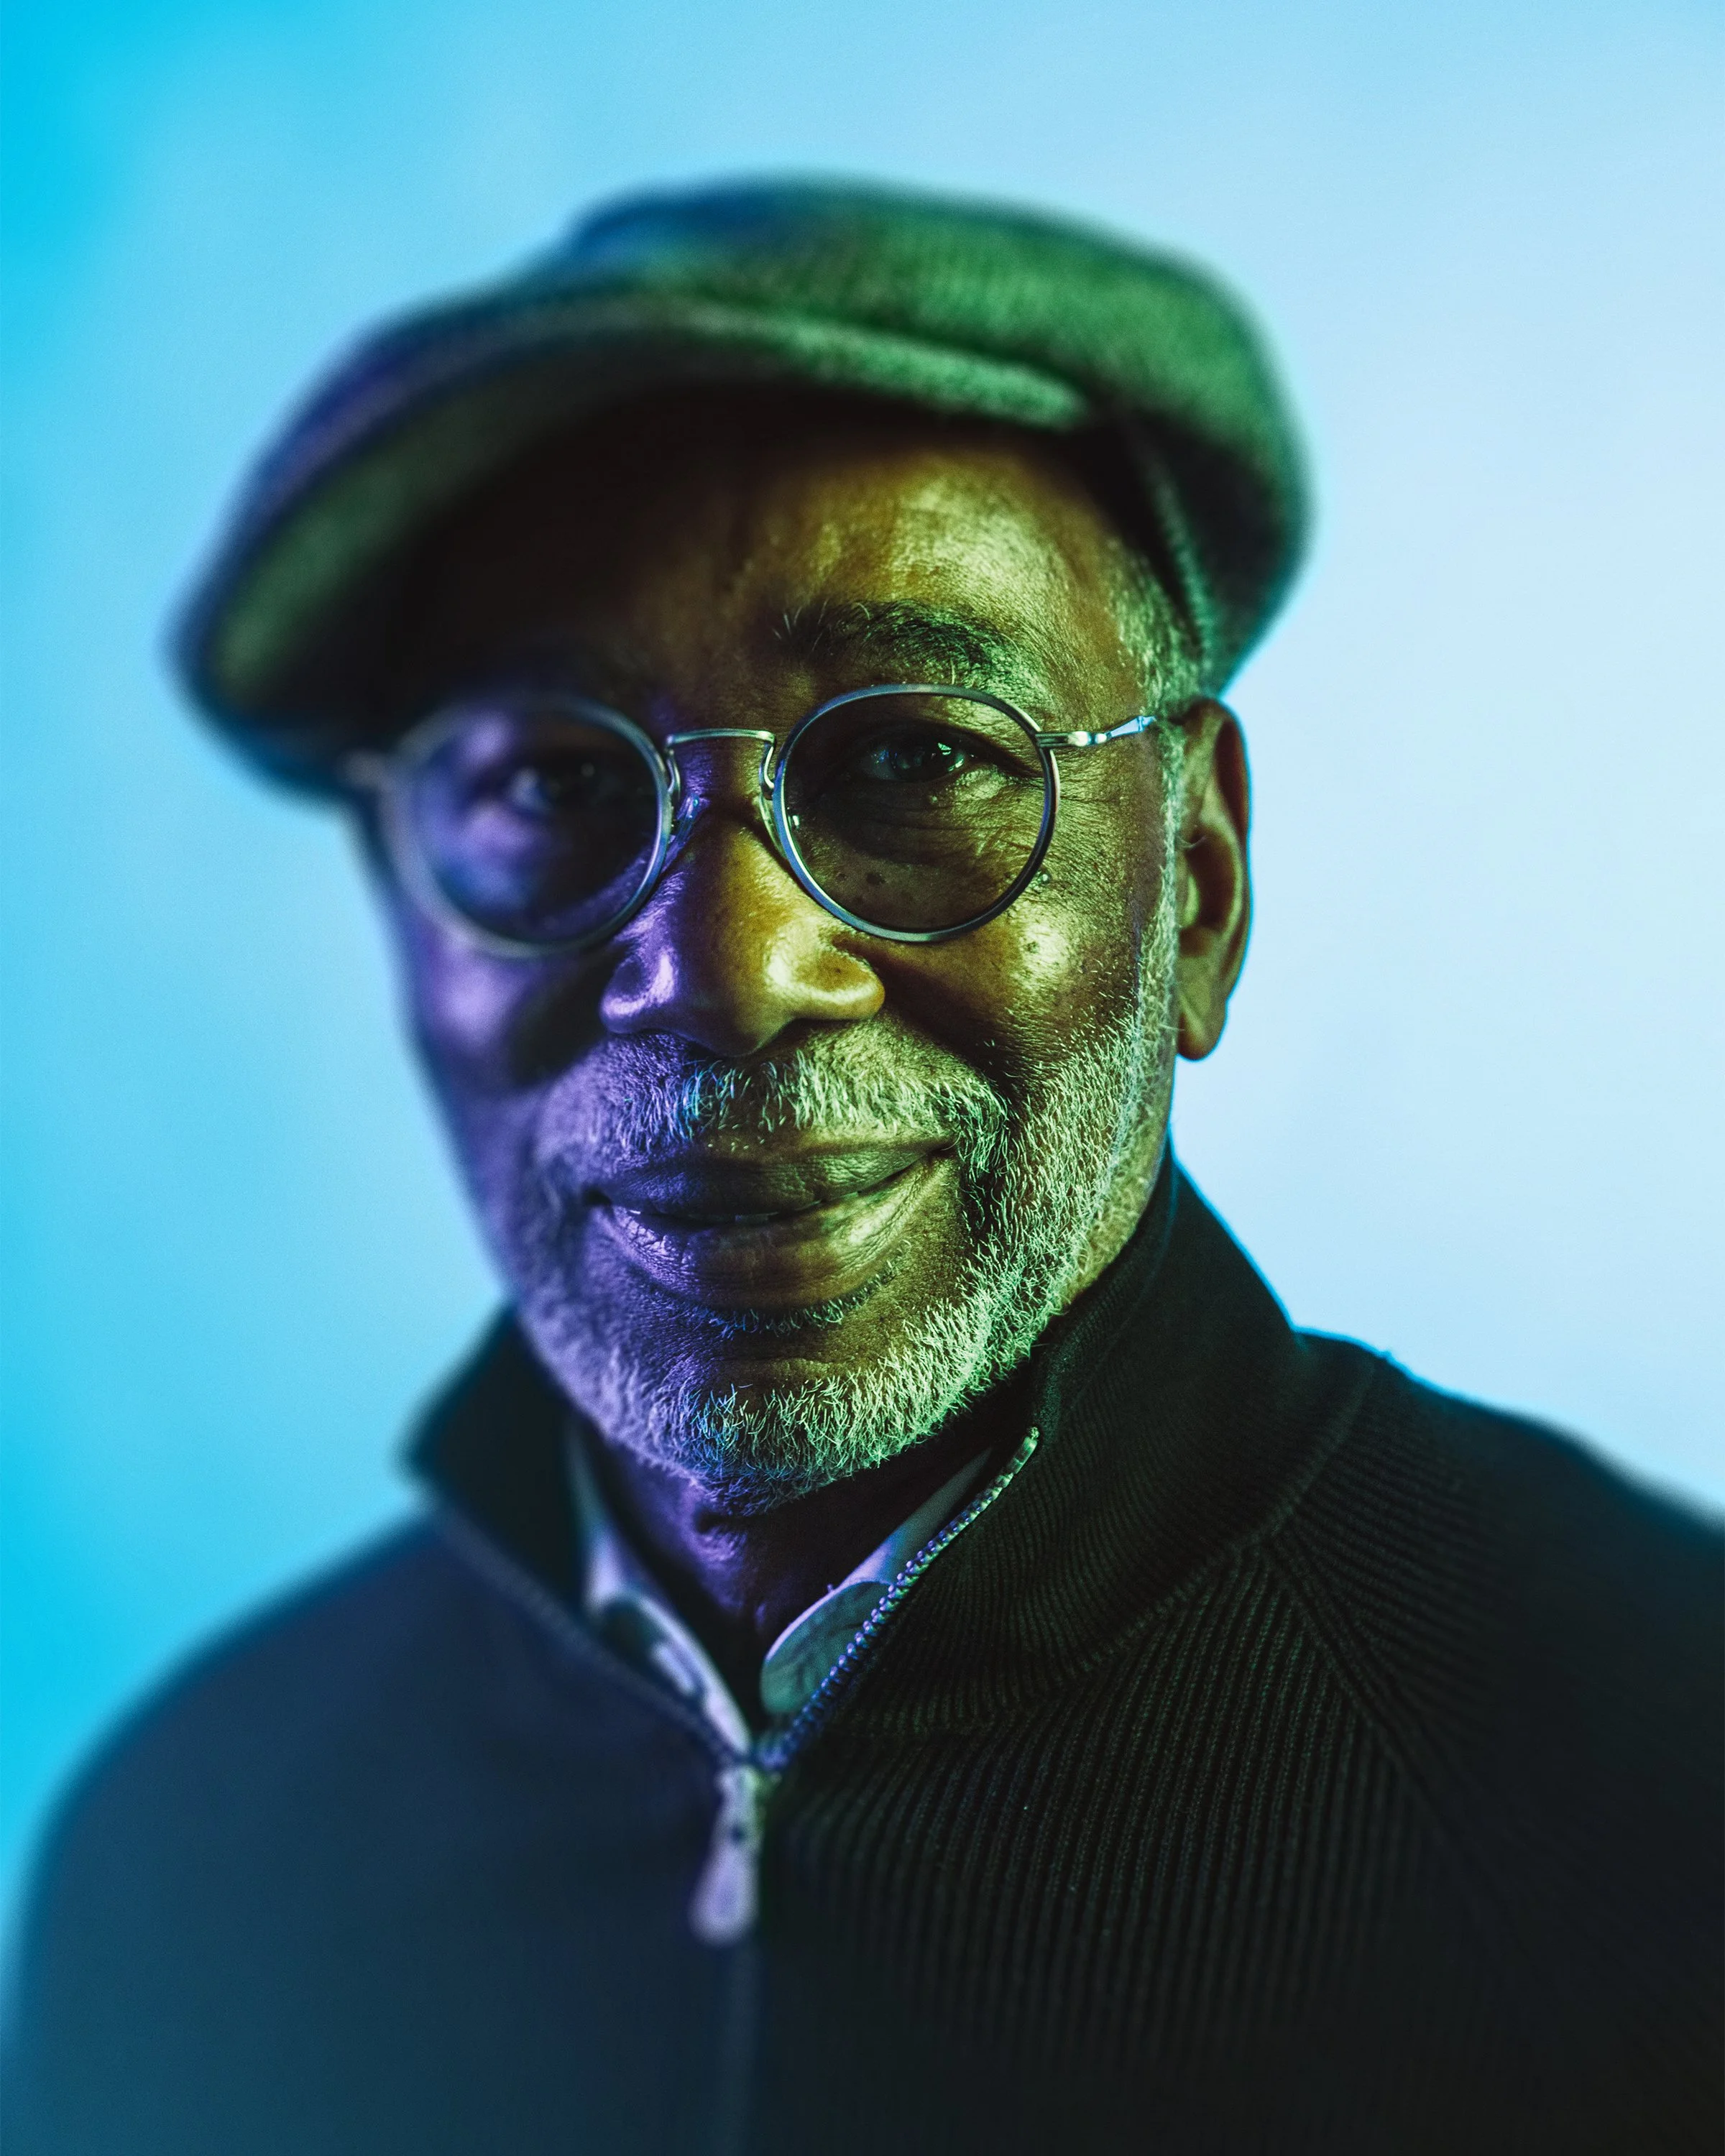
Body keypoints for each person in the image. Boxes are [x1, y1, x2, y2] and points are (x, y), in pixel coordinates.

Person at [3, 180, 1718, 2156]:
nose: (731, 976)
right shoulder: (191, 1862)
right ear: (403, 925)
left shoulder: (1664, 1783)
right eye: (553, 786)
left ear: (1198, 884)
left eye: (912, 759)